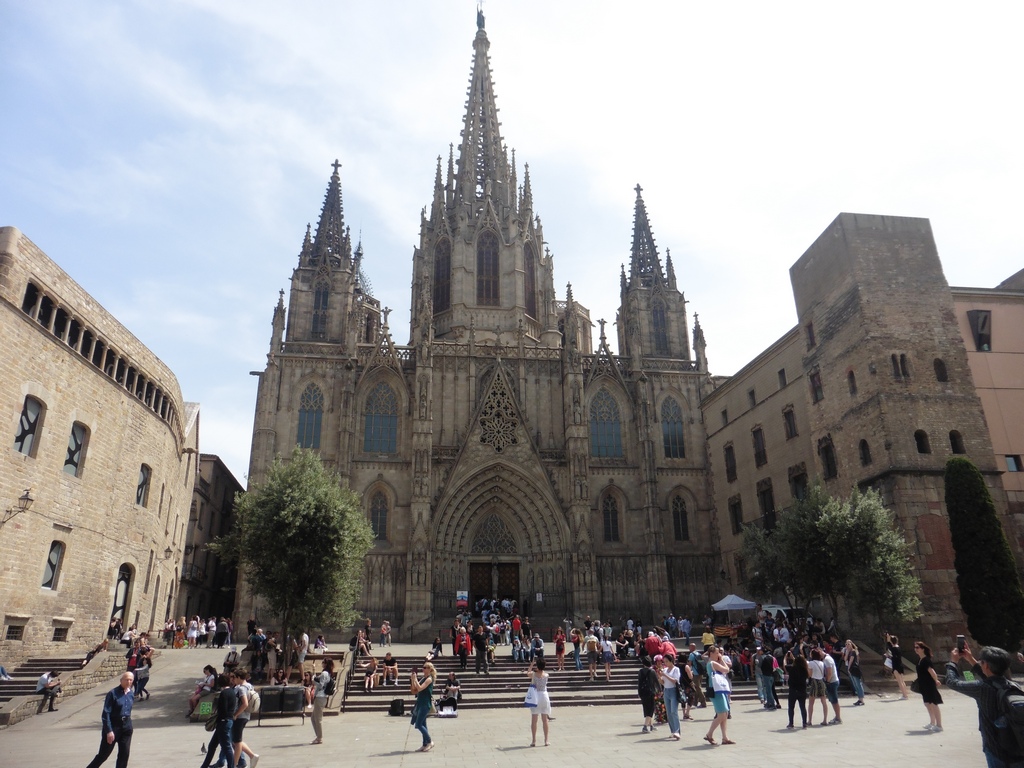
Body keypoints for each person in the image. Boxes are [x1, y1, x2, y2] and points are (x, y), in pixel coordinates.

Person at [946, 643, 1024, 767]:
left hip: (996, 749)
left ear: (986, 665)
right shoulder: (1013, 685)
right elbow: (991, 677)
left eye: (982, 662)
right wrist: (971, 659)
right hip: (1017, 747)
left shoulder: (981, 688)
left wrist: (953, 662)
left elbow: (952, 682)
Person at [84, 672, 134, 768]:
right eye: (126, 679)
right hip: (114, 726)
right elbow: (106, 713)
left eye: (131, 680)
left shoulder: (131, 693)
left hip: (126, 726)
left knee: (124, 754)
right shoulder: (113, 693)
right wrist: (109, 731)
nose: (128, 682)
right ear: (121, 680)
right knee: (103, 755)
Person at [199, 674, 236, 768]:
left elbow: (223, 709)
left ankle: (231, 766)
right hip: (228, 720)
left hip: (223, 722)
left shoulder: (224, 693)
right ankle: (204, 766)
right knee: (212, 746)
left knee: (226, 747)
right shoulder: (231, 691)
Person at [703, 646, 735, 745]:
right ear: (711, 653)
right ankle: (709, 734)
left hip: (719, 689)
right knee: (721, 714)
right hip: (716, 690)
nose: (719, 655)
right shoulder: (712, 663)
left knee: (724, 714)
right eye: (717, 653)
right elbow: (726, 669)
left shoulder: (712, 663)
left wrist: (720, 660)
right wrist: (722, 660)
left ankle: (725, 737)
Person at [230, 668, 260, 768]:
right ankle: (252, 756)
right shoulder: (250, 686)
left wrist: (235, 714)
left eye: (235, 677)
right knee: (236, 740)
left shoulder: (242, 688)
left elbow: (245, 703)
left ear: (239, 677)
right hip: (246, 716)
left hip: (240, 717)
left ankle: (234, 764)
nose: (233, 679)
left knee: (237, 741)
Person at [914, 640, 943, 732]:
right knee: (927, 703)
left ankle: (939, 725)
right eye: (915, 648)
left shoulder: (926, 660)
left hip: (929, 684)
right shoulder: (920, 660)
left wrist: (936, 680)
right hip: (923, 684)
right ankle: (932, 722)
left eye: (917, 647)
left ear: (922, 649)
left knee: (934, 703)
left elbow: (932, 672)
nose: (916, 649)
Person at [409, 661, 436, 752]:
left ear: (429, 669)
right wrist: (413, 680)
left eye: (425, 667)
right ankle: (424, 744)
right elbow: (414, 691)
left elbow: (420, 688)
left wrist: (416, 679)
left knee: (418, 724)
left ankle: (429, 741)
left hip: (425, 704)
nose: (423, 669)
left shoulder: (429, 679)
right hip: (420, 703)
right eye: (423, 667)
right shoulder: (423, 678)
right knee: (423, 724)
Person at [525, 655, 552, 746]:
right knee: (545, 720)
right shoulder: (546, 675)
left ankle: (534, 740)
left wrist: (531, 664)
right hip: (544, 695)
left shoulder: (533, 674)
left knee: (534, 720)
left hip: (535, 696)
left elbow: (528, 673)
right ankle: (546, 740)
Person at [656, 654, 682, 740]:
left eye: (667, 661)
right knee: (669, 712)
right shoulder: (665, 670)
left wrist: (665, 675)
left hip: (673, 691)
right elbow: (663, 683)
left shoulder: (676, 669)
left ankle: (677, 731)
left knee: (674, 711)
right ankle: (673, 731)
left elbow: (675, 681)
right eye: (664, 662)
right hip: (666, 691)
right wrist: (659, 677)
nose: (665, 663)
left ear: (671, 661)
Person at [310, 658, 333, 745]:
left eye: (323, 662)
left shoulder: (324, 673)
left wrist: (313, 682)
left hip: (320, 696)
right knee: (313, 718)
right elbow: (317, 679)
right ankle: (318, 736)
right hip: (322, 697)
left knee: (318, 719)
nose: (322, 663)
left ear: (326, 664)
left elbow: (321, 685)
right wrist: (314, 670)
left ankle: (319, 738)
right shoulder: (327, 673)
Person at [785, 651, 809, 729]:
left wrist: (786, 658)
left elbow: (785, 665)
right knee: (802, 707)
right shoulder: (805, 670)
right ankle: (804, 723)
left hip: (793, 690)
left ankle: (791, 723)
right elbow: (800, 662)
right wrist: (796, 658)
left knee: (791, 707)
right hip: (802, 690)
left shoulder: (792, 668)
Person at [885, 632, 911, 699]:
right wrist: (888, 638)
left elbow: (894, 656)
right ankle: (905, 694)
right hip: (900, 665)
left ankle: (904, 695)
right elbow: (889, 644)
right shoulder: (898, 647)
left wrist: (889, 656)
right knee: (902, 681)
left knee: (900, 682)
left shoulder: (893, 649)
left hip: (896, 666)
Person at [636, 656, 658, 733]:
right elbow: (656, 682)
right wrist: (660, 690)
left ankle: (651, 725)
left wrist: (639, 692)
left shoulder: (640, 671)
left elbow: (639, 683)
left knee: (646, 708)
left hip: (642, 692)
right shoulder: (652, 671)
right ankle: (645, 726)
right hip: (650, 692)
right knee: (651, 709)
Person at [807, 648, 828, 726]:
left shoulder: (811, 663)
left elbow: (810, 674)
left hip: (814, 681)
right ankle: (825, 719)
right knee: (824, 701)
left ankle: (809, 720)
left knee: (811, 702)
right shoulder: (822, 663)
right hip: (821, 681)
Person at [823, 648, 842, 724]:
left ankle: (838, 717)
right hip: (832, 681)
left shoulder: (827, 660)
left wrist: (827, 681)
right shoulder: (827, 658)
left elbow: (829, 672)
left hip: (832, 682)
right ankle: (837, 716)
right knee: (832, 700)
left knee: (834, 700)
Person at [844, 640, 866, 706]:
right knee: (855, 684)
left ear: (851, 644)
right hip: (851, 669)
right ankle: (859, 698)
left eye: (849, 644)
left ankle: (861, 699)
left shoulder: (853, 652)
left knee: (858, 684)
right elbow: (845, 659)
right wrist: (847, 652)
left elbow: (851, 661)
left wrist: (848, 668)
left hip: (854, 669)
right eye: (846, 644)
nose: (847, 645)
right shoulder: (848, 652)